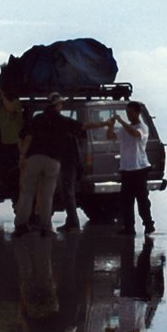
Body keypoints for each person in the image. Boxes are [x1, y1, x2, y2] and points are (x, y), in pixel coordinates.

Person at [14, 93, 110, 237]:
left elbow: (26, 137)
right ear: (57, 105)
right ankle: (45, 228)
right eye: (61, 104)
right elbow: (85, 126)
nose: (62, 106)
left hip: (34, 159)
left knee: (28, 193)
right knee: (47, 195)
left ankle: (21, 226)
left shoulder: (37, 119)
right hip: (53, 161)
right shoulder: (62, 120)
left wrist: (22, 156)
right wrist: (104, 123)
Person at [110, 101, 156, 235]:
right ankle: (129, 227)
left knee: (142, 199)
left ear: (137, 113)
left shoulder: (143, 127)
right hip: (126, 168)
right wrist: (111, 124)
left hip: (140, 168)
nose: (129, 116)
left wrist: (122, 122)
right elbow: (111, 136)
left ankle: (148, 224)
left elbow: (135, 134)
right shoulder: (124, 128)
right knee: (126, 200)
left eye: (130, 113)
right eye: (127, 113)